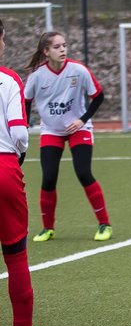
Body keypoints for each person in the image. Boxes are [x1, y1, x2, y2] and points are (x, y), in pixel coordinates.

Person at [22, 30, 113, 242]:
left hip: (78, 129)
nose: (62, 49)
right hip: (51, 131)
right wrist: (24, 126)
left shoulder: (78, 70)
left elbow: (98, 97)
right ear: (46, 51)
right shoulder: (37, 75)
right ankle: (48, 228)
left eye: (64, 45)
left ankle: (104, 224)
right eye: (56, 47)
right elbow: (26, 101)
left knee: (83, 172)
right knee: (49, 178)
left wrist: (82, 120)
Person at [0, 20, 47, 326]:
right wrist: (19, 160)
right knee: (15, 256)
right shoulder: (8, 79)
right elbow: (19, 132)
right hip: (4, 169)